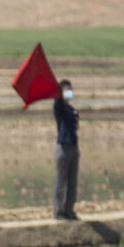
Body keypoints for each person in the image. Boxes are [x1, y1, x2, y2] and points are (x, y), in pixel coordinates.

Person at [53, 79, 80, 221]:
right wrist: (58, 94)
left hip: (73, 147)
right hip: (63, 147)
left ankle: (69, 211)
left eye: (70, 89)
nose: (69, 92)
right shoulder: (60, 108)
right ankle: (59, 212)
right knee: (61, 181)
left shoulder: (71, 110)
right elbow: (57, 102)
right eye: (66, 90)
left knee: (72, 181)